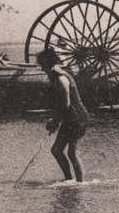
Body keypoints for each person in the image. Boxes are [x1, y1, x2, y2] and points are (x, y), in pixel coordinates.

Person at [37, 47, 89, 182]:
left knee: (72, 153)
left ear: (49, 64)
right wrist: (55, 120)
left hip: (78, 118)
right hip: (69, 119)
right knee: (56, 150)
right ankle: (69, 180)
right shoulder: (56, 76)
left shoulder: (61, 78)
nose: (42, 69)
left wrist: (55, 121)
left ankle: (80, 184)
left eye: (43, 66)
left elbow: (65, 103)